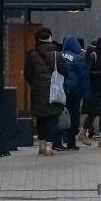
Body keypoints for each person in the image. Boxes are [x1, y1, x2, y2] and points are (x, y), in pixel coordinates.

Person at [24, 27, 67, 156]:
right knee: (53, 117)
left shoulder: (32, 54)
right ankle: (49, 145)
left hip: (37, 90)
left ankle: (41, 145)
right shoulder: (57, 54)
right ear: (50, 38)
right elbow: (65, 72)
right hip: (54, 90)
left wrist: (35, 84)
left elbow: (28, 73)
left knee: (41, 117)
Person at [79, 37, 101, 147]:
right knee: (93, 113)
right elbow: (88, 73)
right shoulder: (93, 56)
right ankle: (83, 132)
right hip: (95, 90)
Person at [58, 36, 90, 150]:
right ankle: (71, 142)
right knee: (74, 115)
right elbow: (84, 77)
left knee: (59, 115)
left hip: (60, 90)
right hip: (74, 91)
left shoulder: (59, 56)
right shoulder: (78, 58)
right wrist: (86, 94)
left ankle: (58, 141)